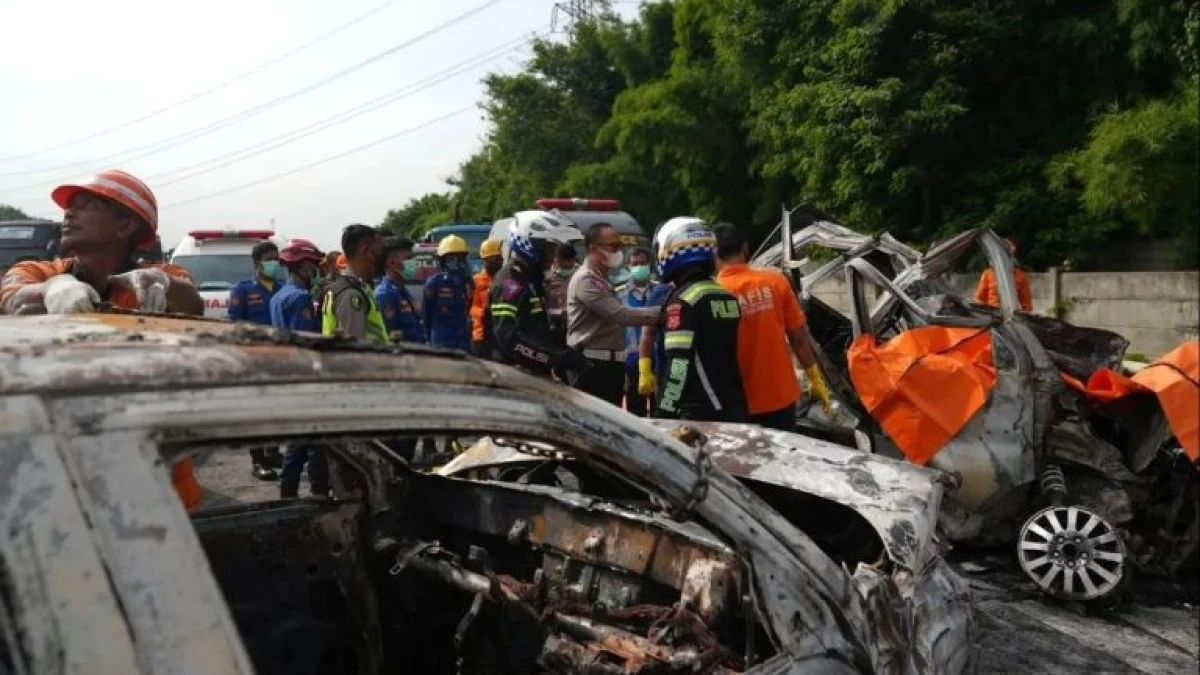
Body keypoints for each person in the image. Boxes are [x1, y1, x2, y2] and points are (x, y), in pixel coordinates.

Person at [0, 169, 203, 316]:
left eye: (88, 205)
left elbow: (192, 304)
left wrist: (164, 283)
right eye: (70, 207)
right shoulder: (37, 273)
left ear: (125, 226)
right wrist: (48, 289)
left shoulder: (162, 280)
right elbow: (12, 295)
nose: (69, 213)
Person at [714, 223, 834, 431]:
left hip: (735, 402)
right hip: (780, 397)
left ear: (714, 254)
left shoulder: (712, 293)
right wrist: (816, 379)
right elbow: (798, 337)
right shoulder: (776, 282)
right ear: (745, 248)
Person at [652, 217, 748, 422]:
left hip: (701, 414)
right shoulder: (724, 295)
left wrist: (664, 414)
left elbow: (678, 365)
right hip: (734, 405)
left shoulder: (683, 301)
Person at [567, 223, 659, 406]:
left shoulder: (601, 278)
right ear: (593, 248)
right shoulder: (586, 280)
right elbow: (620, 315)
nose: (619, 252)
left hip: (608, 365)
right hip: (591, 366)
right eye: (613, 247)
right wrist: (662, 313)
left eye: (620, 247)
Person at [485, 215, 587, 377]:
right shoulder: (511, 281)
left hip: (533, 372)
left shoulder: (532, 279)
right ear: (530, 245)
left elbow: (535, 328)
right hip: (512, 374)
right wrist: (555, 357)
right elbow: (508, 335)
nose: (553, 257)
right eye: (549, 250)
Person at [269, 239, 330, 498]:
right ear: (304, 266)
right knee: (313, 444)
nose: (315, 271)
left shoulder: (278, 295)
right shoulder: (300, 297)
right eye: (313, 266)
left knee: (300, 441)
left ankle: (289, 495)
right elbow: (308, 340)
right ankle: (316, 494)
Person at [620, 248, 671, 416]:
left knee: (661, 408)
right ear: (627, 266)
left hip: (659, 359)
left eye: (642, 263)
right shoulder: (620, 294)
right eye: (634, 264)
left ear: (649, 265)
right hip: (631, 363)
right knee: (636, 413)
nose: (639, 267)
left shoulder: (662, 291)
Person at [322, 224, 389, 344]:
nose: (383, 259)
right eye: (379, 253)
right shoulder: (350, 294)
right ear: (365, 250)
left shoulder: (353, 286)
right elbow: (353, 352)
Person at [423, 234, 474, 352]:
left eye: (460, 258)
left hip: (462, 340)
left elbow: (468, 308)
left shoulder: (468, 283)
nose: (456, 262)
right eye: (451, 258)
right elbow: (427, 315)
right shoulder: (434, 284)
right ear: (442, 260)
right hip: (441, 340)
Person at [376, 236, 425, 343]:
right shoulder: (386, 294)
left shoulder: (403, 291)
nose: (413, 263)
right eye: (408, 258)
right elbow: (390, 337)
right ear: (391, 262)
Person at [228, 240, 281, 324]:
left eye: (276, 259)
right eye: (269, 260)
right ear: (256, 263)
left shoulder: (283, 289)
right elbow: (235, 321)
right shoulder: (242, 290)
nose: (273, 263)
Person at [974, 237, 1032, 312]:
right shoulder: (988, 274)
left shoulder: (1021, 276)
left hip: (1012, 317)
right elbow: (979, 299)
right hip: (992, 316)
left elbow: (1027, 305)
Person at [471, 239, 503, 356]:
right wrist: (483, 313)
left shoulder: (504, 280)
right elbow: (471, 307)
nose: (495, 263)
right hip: (481, 334)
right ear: (484, 261)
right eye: (491, 260)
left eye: (498, 259)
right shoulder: (476, 281)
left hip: (501, 334)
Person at [544, 243, 578, 344]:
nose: (568, 265)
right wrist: (557, 312)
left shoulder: (581, 276)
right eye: (564, 263)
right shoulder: (547, 276)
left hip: (575, 327)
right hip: (552, 326)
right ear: (557, 260)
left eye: (570, 262)